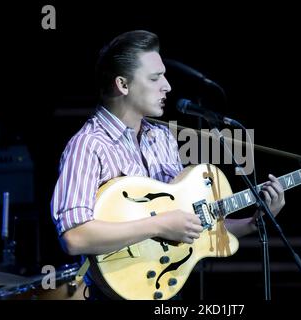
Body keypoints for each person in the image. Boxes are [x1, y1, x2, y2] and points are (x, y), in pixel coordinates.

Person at [50, 30, 285, 299]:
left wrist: (254, 222)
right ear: (122, 85)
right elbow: (74, 236)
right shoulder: (88, 145)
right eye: (154, 78)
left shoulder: (162, 138)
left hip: (166, 286)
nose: (167, 86)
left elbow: (191, 224)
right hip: (113, 293)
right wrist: (159, 224)